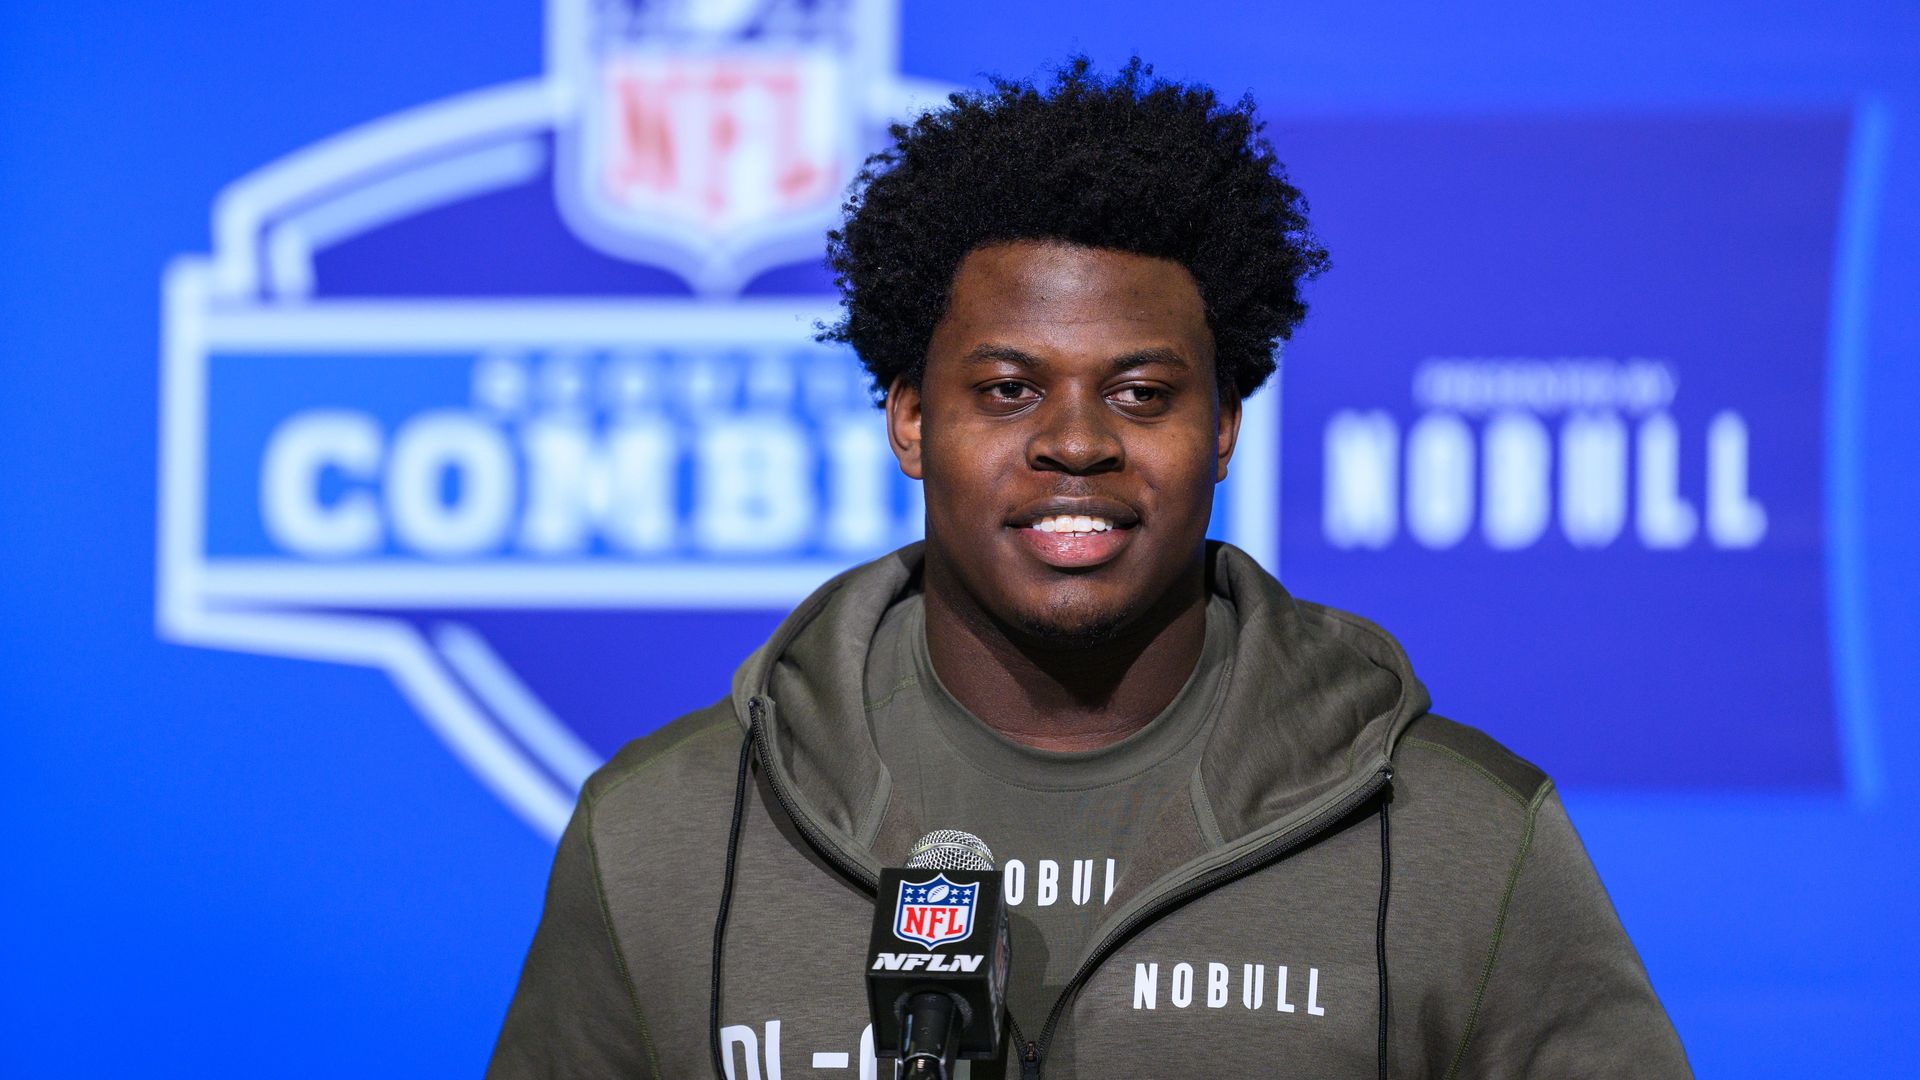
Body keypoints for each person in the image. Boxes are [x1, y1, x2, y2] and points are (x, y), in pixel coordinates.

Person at [487, 58, 1691, 1078]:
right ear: (909, 422)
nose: (1075, 441)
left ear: (1223, 426)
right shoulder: (663, 837)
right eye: (1007, 390)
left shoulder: (1458, 836)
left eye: (1142, 393)